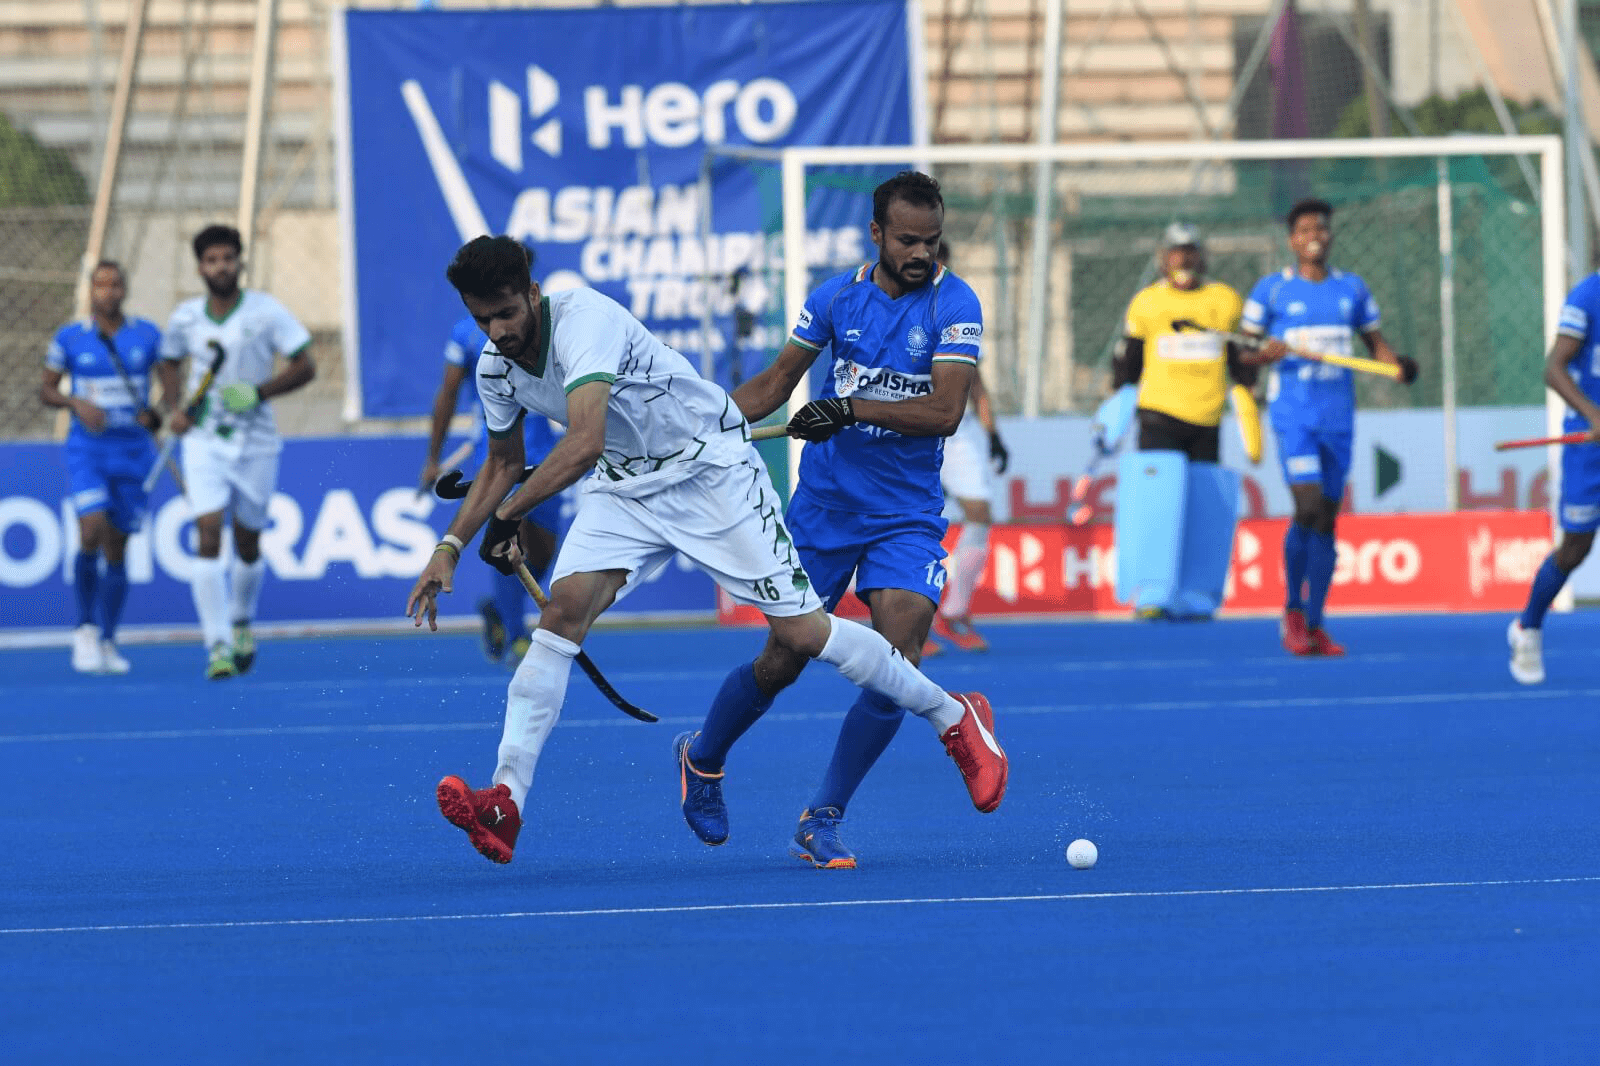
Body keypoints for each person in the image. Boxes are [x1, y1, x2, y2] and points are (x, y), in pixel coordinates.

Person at [407, 233, 1004, 867]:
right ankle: (506, 801)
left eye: (506, 314)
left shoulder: (583, 320)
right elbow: (503, 463)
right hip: (626, 487)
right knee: (561, 615)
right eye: (483, 320)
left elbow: (583, 440)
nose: (497, 332)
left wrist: (508, 516)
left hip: (709, 474)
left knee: (801, 636)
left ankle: (950, 713)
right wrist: (451, 545)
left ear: (532, 293)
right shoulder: (495, 368)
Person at [680, 171, 996, 869]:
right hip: (823, 511)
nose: (921, 254)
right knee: (784, 658)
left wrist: (850, 409)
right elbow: (773, 385)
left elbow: (945, 411)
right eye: (907, 240)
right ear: (876, 234)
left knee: (898, 659)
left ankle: (822, 817)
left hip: (906, 515)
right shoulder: (833, 298)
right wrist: (698, 424)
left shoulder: (955, 303)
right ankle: (702, 758)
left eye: (932, 241)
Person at [1242, 198, 1417, 655]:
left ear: (1330, 234)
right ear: (1291, 240)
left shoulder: (1351, 289)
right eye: (1303, 230)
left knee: (1326, 518)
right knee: (1308, 506)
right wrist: (1263, 355)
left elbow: (1376, 344)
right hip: (1294, 417)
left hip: (1338, 419)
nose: (1313, 236)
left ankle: (1316, 622)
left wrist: (1397, 368)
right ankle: (1292, 611)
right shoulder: (1271, 291)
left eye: (1319, 228)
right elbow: (1242, 354)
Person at [160, 224, 315, 680]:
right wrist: (174, 408)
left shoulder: (266, 311)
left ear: (240, 262)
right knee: (208, 533)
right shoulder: (186, 317)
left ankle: (242, 619)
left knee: (247, 541)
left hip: (256, 443)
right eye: (211, 260)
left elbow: (305, 365)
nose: (221, 267)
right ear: (200, 267)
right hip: (204, 440)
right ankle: (217, 644)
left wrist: (260, 392)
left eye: (228, 258)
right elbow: (169, 361)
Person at [1111, 222, 1256, 621]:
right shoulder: (1148, 302)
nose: (1184, 259)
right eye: (1176, 252)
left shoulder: (1224, 300)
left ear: (1202, 257)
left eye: (1191, 251)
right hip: (1158, 415)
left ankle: (1195, 594)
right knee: (1158, 506)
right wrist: (1117, 403)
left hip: (1207, 419)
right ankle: (1152, 593)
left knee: (1202, 508)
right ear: (1163, 258)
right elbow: (1128, 362)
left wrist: (1250, 395)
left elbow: (1239, 361)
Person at [38, 260, 163, 674]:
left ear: (125, 290)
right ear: (91, 290)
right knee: (90, 528)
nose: (108, 292)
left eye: (115, 285)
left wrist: (157, 414)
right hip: (88, 450)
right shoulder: (70, 337)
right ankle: (85, 628)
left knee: (117, 546)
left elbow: (170, 389)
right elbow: (46, 389)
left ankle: (108, 638)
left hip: (134, 453)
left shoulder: (147, 335)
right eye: (100, 285)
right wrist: (75, 403)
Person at [421, 312, 562, 666]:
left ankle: (500, 609)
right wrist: (433, 457)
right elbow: (448, 392)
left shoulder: (542, 322)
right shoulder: (465, 333)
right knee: (511, 541)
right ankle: (517, 636)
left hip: (545, 454)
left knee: (543, 554)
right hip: (498, 455)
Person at [1507, 272, 1600, 684]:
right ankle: (1527, 626)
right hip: (1589, 445)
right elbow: (1553, 369)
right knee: (1575, 549)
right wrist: (1594, 414)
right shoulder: (1587, 296)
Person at [927, 239, 1008, 655]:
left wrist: (994, 434)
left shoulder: (961, 309)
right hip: (910, 433)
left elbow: (976, 382)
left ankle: (954, 610)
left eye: (938, 260)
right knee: (909, 524)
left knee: (979, 512)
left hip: (955, 435)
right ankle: (907, 623)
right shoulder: (894, 308)